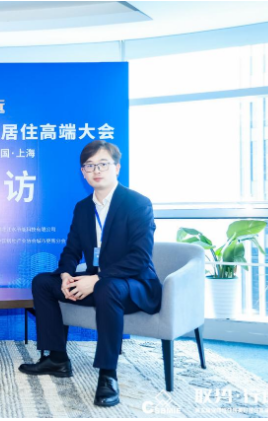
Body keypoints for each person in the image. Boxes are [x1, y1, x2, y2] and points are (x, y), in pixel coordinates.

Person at [18, 140, 162, 407]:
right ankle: (57, 359)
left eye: (103, 164)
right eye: (89, 165)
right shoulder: (83, 208)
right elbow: (72, 249)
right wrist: (65, 274)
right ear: (83, 172)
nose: (96, 170)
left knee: (107, 287)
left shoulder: (137, 203)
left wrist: (96, 279)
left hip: (134, 286)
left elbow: (140, 258)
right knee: (43, 282)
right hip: (99, 285)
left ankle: (108, 374)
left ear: (116, 167)